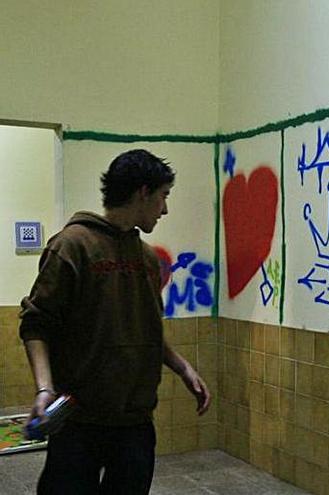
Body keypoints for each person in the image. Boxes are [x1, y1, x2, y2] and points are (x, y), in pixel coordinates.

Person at [19, 149, 211, 495]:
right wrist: (45, 389)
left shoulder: (147, 258)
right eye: (163, 196)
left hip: (134, 422)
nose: (165, 209)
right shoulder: (71, 247)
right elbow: (36, 324)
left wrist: (182, 368)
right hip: (79, 421)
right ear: (143, 192)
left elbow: (145, 328)